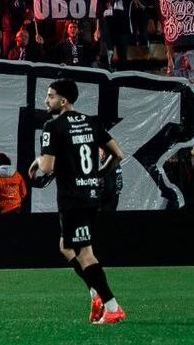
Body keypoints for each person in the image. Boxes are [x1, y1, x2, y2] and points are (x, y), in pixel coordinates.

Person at [29, 77, 127, 324]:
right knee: (67, 246)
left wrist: (36, 163)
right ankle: (95, 293)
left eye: (50, 96)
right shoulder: (90, 122)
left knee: (84, 255)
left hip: (73, 198)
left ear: (63, 101)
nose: (46, 100)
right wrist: (100, 173)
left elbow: (48, 167)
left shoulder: (53, 126)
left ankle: (112, 307)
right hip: (91, 195)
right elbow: (118, 154)